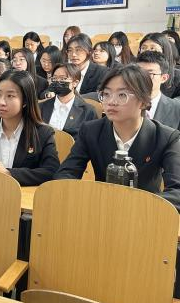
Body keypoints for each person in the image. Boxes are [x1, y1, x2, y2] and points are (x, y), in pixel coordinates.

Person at [54, 65, 180, 211]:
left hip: (144, 214)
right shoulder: (91, 131)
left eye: (122, 95)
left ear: (143, 101)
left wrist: (135, 206)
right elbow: (66, 173)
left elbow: (177, 191)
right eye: (106, 94)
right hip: (100, 210)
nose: (111, 102)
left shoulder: (166, 137)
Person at [39, 63, 98, 139]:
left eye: (63, 78)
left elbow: (91, 139)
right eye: (54, 78)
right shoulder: (40, 107)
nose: (57, 81)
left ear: (75, 83)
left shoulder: (88, 111)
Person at [136, 51, 180, 130]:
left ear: (164, 78)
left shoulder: (176, 109)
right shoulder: (121, 104)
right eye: (138, 73)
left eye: (150, 74)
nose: (142, 78)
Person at [139, 32, 180, 98]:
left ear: (164, 50)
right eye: (143, 48)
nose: (147, 51)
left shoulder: (178, 77)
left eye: (153, 48)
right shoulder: (131, 72)